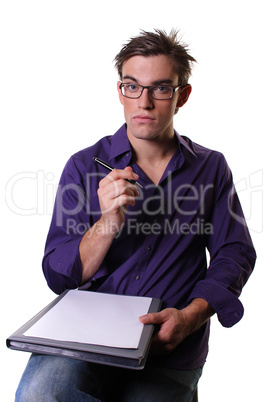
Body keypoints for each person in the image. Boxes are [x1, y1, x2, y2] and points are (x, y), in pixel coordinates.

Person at [15, 29, 256, 402]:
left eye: (161, 88)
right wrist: (108, 222)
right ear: (120, 92)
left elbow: (234, 253)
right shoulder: (83, 166)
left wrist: (189, 318)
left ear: (182, 96)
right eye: (132, 86)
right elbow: (59, 274)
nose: (144, 102)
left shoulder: (211, 167)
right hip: (86, 334)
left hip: (169, 343)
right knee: (40, 394)